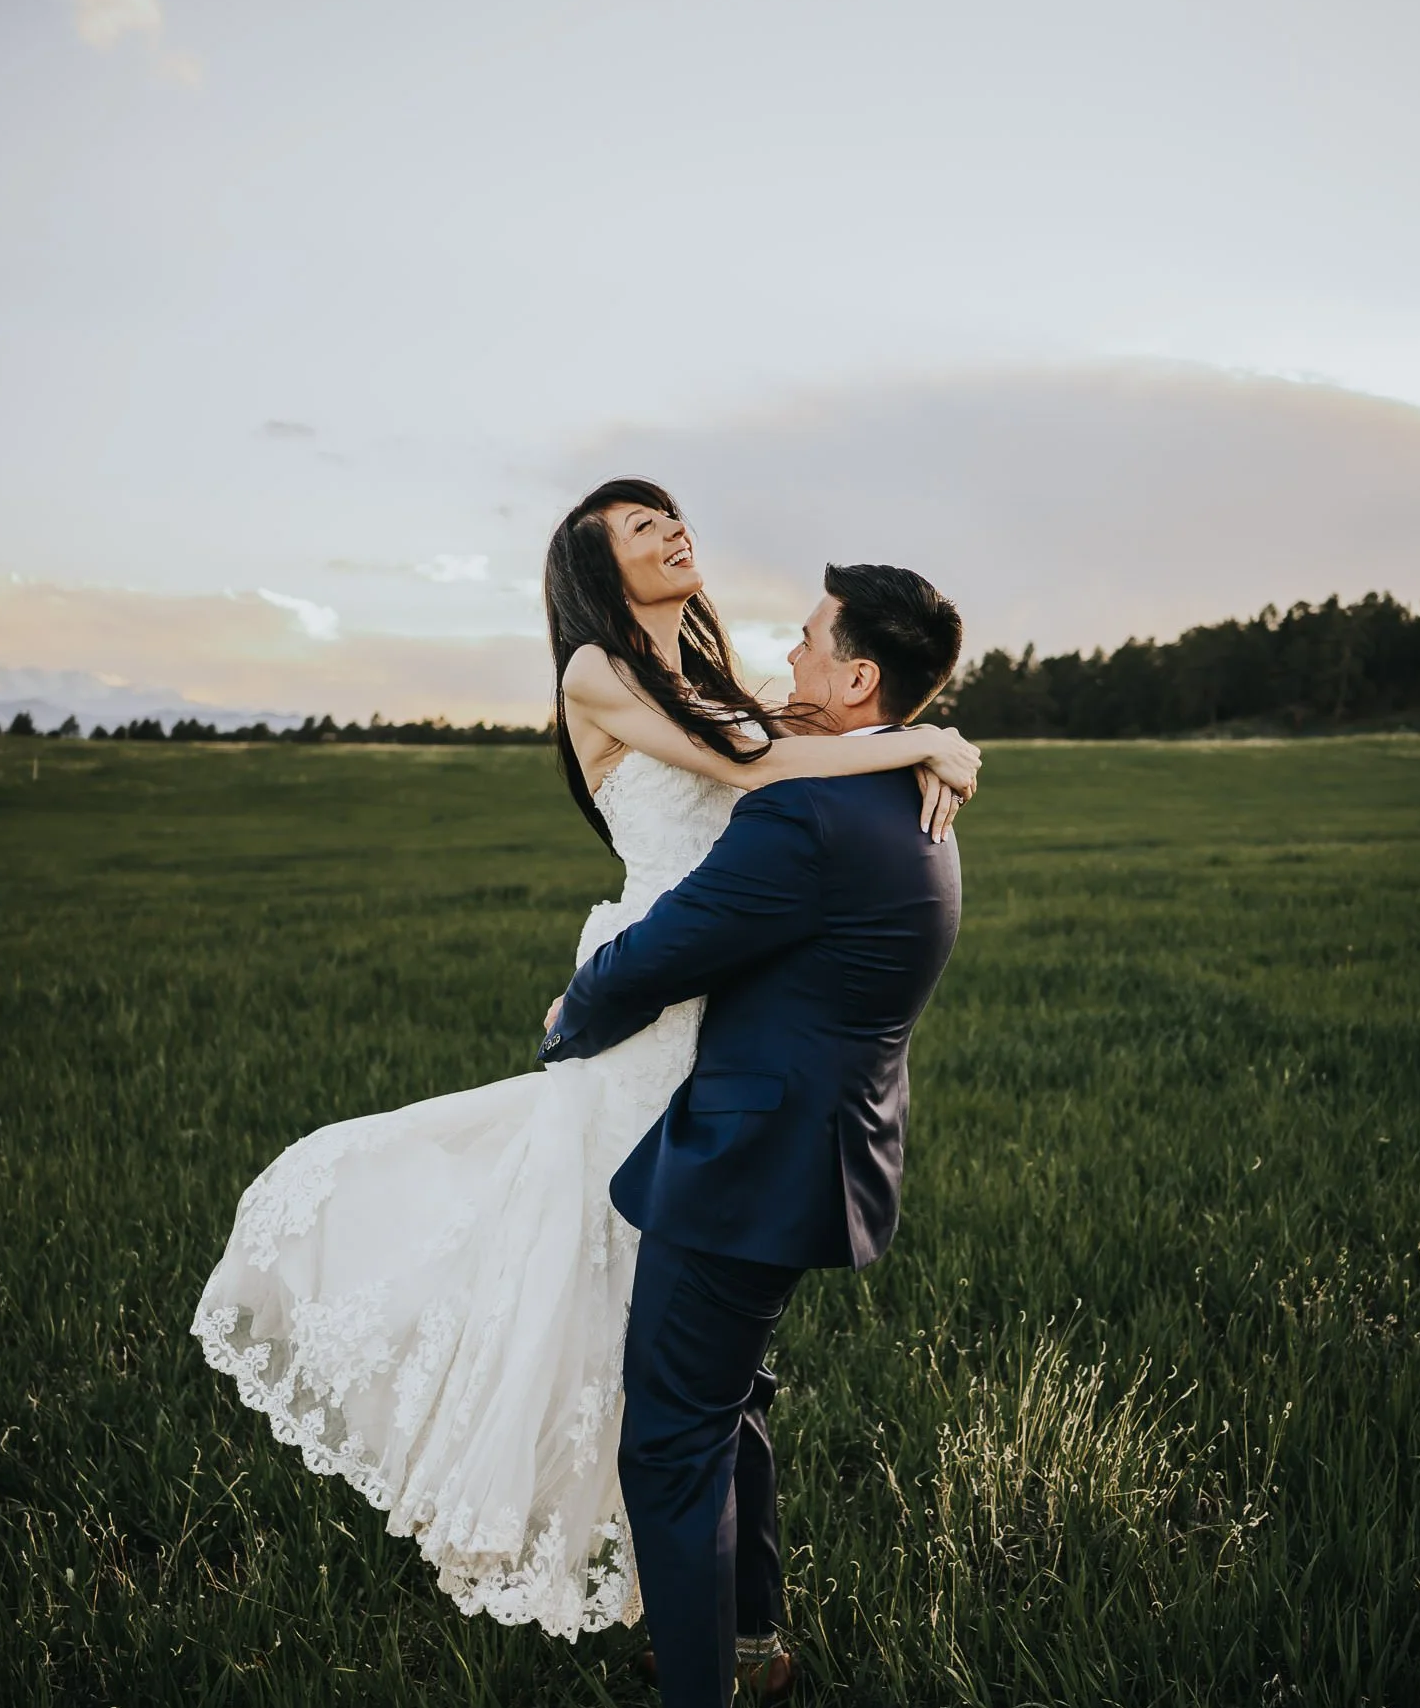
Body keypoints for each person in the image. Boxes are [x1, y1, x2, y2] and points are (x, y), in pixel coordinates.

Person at [191, 480, 977, 1647]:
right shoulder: (594, 673)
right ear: (603, 575)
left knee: (696, 1341)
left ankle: (736, 1620)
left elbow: (820, 724)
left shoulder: (723, 681)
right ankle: (607, 1551)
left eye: (668, 513)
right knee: (591, 1280)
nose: (671, 530)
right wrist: (930, 738)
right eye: (639, 529)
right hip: (658, 980)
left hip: (725, 991)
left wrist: (936, 733)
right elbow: (763, 772)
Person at [541, 555, 966, 1708]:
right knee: (730, 1409)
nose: (786, 659)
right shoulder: (904, 791)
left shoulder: (807, 820)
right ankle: (755, 1644)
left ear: (856, 678)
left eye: (806, 642)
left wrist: (574, 1011)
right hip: (816, 1147)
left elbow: (666, 953)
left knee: (666, 1440)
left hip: (746, 1167)